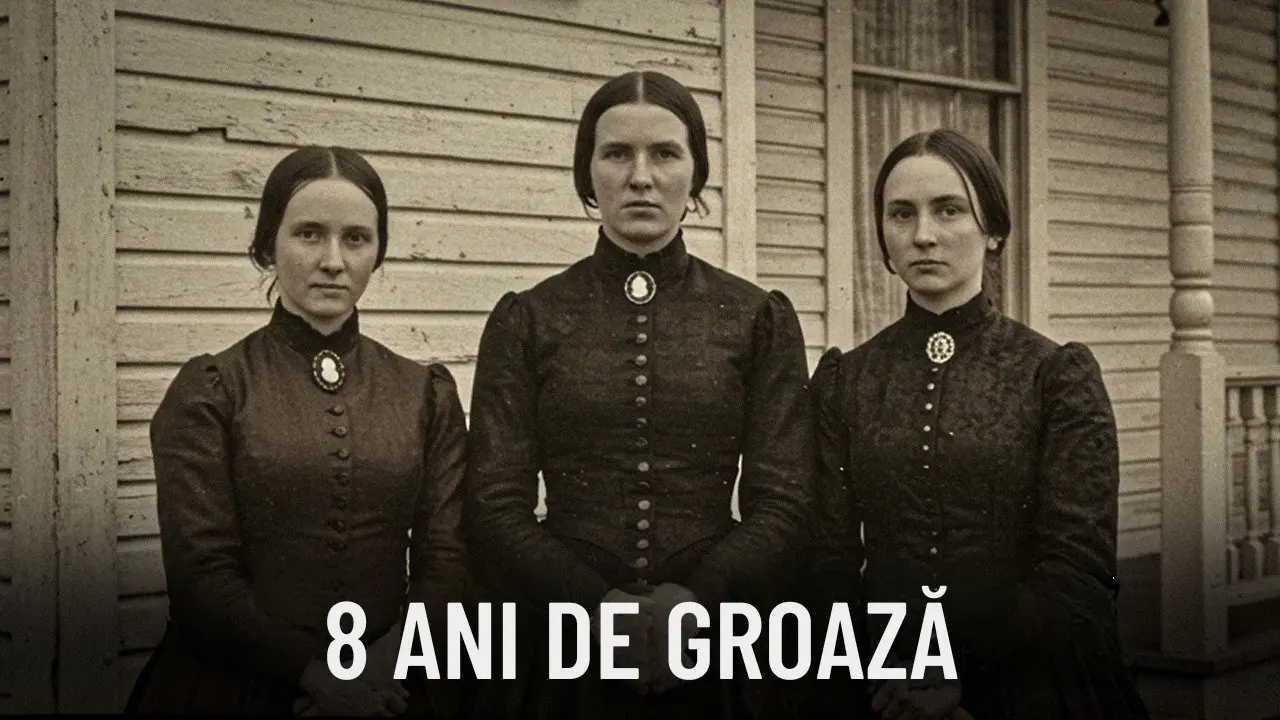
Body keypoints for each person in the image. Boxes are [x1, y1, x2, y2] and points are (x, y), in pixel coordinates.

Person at [464, 70, 815, 719]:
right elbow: (493, 505)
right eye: (617, 153)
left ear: (696, 173)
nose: (641, 177)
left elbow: (787, 502)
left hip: (715, 646)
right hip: (566, 651)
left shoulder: (756, 317)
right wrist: (593, 608)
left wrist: (699, 602)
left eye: (665, 154)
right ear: (587, 172)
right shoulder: (529, 319)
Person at [810, 128, 1151, 720]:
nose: (923, 234)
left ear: (993, 228)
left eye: (949, 210)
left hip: (1028, 680)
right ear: (883, 236)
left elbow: (1077, 567)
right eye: (901, 214)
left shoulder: (1054, 375)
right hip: (884, 680)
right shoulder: (847, 380)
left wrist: (960, 689)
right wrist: (899, 677)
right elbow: (827, 558)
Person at [125, 145, 471, 717]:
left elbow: (447, 561)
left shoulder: (423, 393)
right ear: (269, 244)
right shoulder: (212, 390)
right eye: (309, 234)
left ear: (378, 253)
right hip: (243, 684)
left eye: (355, 239)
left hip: (391, 684)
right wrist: (318, 678)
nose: (333, 260)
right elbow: (200, 578)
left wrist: (383, 668)